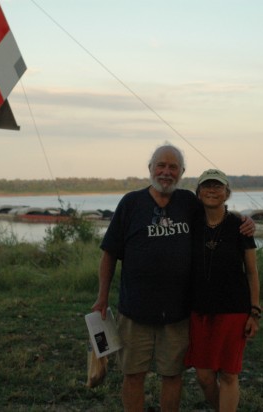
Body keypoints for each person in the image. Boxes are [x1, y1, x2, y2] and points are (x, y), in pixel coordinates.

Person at [92, 145, 254, 412]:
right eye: (161, 166)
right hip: (135, 310)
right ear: (150, 169)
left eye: (173, 167)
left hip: (178, 312)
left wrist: (244, 221)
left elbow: (218, 214)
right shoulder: (131, 203)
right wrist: (101, 297)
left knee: (172, 375)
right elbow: (109, 253)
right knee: (133, 374)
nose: (166, 172)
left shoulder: (188, 203)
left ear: (181, 173)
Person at [184, 169, 262, 412]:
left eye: (218, 187)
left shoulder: (240, 226)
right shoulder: (191, 225)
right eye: (206, 186)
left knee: (228, 375)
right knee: (204, 377)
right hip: (199, 312)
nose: (212, 190)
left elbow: (251, 272)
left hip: (234, 311)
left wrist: (255, 311)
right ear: (198, 194)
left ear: (227, 193)